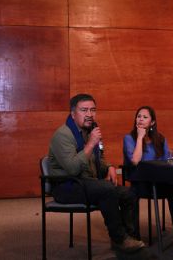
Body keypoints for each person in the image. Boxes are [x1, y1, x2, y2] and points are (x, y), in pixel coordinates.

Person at [48, 93, 144, 252]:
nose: (89, 115)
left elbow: (100, 156)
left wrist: (109, 167)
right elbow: (72, 168)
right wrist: (91, 143)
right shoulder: (63, 135)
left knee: (129, 193)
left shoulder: (91, 130)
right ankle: (120, 239)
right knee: (106, 189)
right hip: (66, 186)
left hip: (87, 182)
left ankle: (130, 237)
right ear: (73, 114)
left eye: (93, 110)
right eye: (84, 110)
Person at [123, 106, 173, 249]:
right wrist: (140, 137)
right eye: (138, 116)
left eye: (145, 117)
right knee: (131, 195)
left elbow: (166, 162)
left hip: (158, 181)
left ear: (152, 123)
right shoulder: (129, 138)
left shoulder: (160, 139)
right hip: (140, 183)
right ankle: (134, 238)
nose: (140, 119)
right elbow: (135, 160)